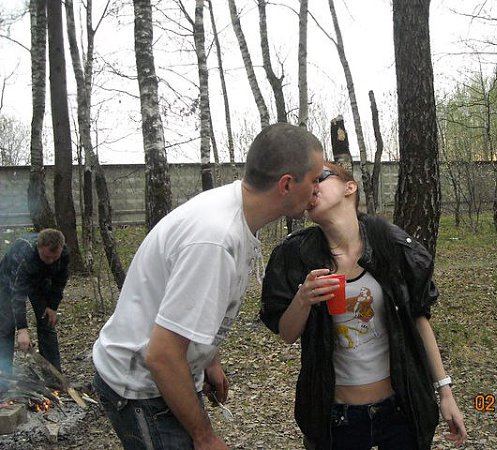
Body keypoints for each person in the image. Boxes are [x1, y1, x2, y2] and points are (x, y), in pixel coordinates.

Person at [92, 123, 325, 450]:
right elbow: (161, 355)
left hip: (168, 374)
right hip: (141, 389)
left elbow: (191, 308)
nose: (318, 190)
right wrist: (205, 437)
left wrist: (209, 359)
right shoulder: (215, 239)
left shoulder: (236, 212)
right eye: (315, 180)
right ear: (286, 184)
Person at [260, 162, 467, 450]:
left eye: (318, 178)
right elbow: (287, 333)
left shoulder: (391, 245)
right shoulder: (297, 254)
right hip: (338, 419)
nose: (310, 187)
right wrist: (303, 299)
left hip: (399, 411)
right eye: (305, 183)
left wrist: (445, 392)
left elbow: (419, 320)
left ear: (350, 187)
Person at [0, 228, 69, 375]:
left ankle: (53, 377)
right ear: (39, 247)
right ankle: (4, 375)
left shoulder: (63, 253)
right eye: (47, 257)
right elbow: (17, 295)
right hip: (8, 282)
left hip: (39, 281)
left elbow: (60, 281)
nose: (51, 261)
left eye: (54, 257)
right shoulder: (24, 255)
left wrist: (52, 306)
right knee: (7, 325)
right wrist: (22, 329)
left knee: (47, 322)